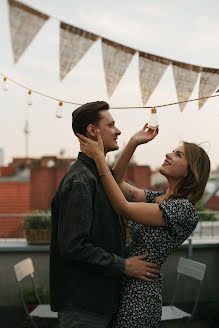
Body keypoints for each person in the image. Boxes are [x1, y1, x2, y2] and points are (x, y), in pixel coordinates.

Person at [77, 124, 211, 328]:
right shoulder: (158, 198)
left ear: (190, 171)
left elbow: (124, 208)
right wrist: (133, 143)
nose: (168, 154)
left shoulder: (183, 209)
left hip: (140, 297)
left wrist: (98, 158)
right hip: (126, 283)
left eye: (178, 155)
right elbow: (117, 182)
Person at [49, 101, 159, 328]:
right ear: (92, 130)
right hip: (84, 307)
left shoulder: (95, 173)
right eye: (111, 124)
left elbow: (113, 181)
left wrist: (133, 143)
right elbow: (73, 246)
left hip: (98, 302)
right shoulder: (80, 181)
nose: (118, 130)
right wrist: (124, 265)